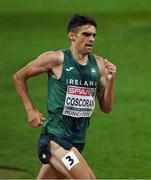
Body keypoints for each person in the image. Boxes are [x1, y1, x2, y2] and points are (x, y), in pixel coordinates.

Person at [13, 13, 116, 179]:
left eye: (94, 35)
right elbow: (18, 77)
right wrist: (30, 109)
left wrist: (111, 82)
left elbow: (107, 108)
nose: (91, 39)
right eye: (86, 34)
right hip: (55, 139)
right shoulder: (56, 59)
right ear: (72, 36)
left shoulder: (99, 65)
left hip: (77, 140)